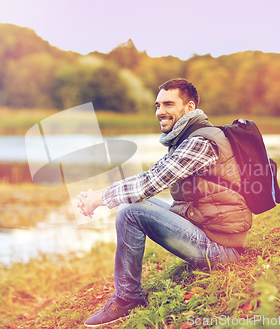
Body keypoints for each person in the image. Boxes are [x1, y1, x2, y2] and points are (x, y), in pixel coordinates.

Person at [77, 78, 251, 327]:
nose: (160, 112)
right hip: (211, 230)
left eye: (169, 104)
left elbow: (152, 181)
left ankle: (126, 300)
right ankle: (126, 296)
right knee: (134, 204)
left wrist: (100, 199)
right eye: (157, 105)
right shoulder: (188, 137)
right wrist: (103, 193)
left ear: (189, 108)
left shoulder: (199, 142)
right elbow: (151, 176)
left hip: (222, 248)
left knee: (130, 213)